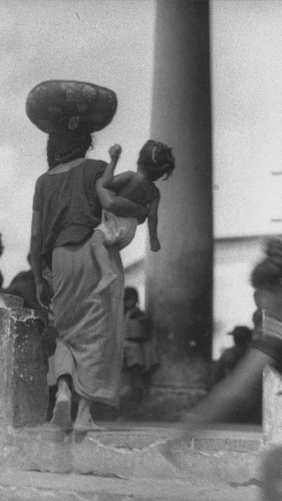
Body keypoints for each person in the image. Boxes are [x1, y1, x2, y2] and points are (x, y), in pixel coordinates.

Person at [30, 123, 148, 432]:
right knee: (99, 332)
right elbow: (108, 203)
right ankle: (83, 415)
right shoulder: (95, 168)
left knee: (67, 333)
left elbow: (35, 234)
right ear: (86, 144)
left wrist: (40, 280)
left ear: (54, 148)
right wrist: (138, 209)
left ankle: (63, 393)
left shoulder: (44, 182)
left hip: (59, 259)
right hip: (93, 251)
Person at [179, 238, 282, 433]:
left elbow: (236, 392)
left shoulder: (276, 330)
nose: (259, 303)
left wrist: (187, 429)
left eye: (261, 294)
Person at [90, 141, 175, 292]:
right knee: (110, 250)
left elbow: (106, 182)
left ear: (139, 161)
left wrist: (114, 160)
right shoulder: (155, 193)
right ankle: (107, 270)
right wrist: (154, 240)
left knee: (96, 243)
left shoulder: (131, 176)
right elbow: (152, 216)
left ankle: (106, 273)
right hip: (130, 229)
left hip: (116, 222)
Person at [120, 286, 158, 419]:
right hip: (123, 352)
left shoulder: (139, 314)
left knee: (136, 382)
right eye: (126, 300)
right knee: (124, 384)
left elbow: (144, 333)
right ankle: (125, 412)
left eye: (131, 300)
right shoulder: (120, 313)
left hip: (136, 354)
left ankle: (136, 411)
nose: (128, 303)